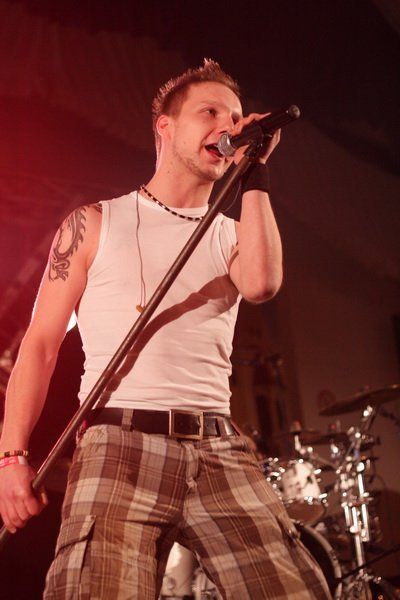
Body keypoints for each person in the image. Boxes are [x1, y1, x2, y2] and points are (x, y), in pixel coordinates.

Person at [0, 60, 331, 599]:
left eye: (235, 118)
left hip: (218, 447)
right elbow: (39, 346)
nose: (227, 126)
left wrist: (255, 173)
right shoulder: (94, 223)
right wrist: (11, 458)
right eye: (210, 112)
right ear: (165, 127)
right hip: (119, 444)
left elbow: (262, 284)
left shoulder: (232, 234)